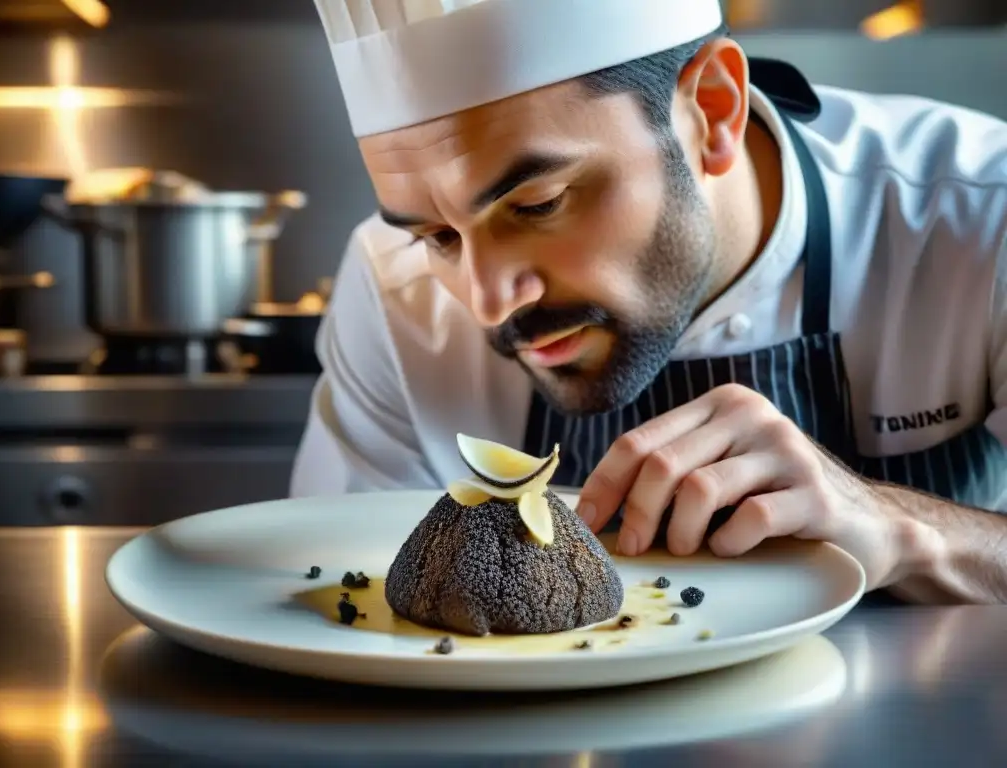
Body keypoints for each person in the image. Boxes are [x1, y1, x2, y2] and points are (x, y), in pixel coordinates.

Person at [292, 0, 1007, 604]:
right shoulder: (393, 288)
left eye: (538, 204)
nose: (486, 302)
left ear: (713, 111)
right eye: (438, 236)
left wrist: (905, 532)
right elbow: (329, 589)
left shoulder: (979, 213)